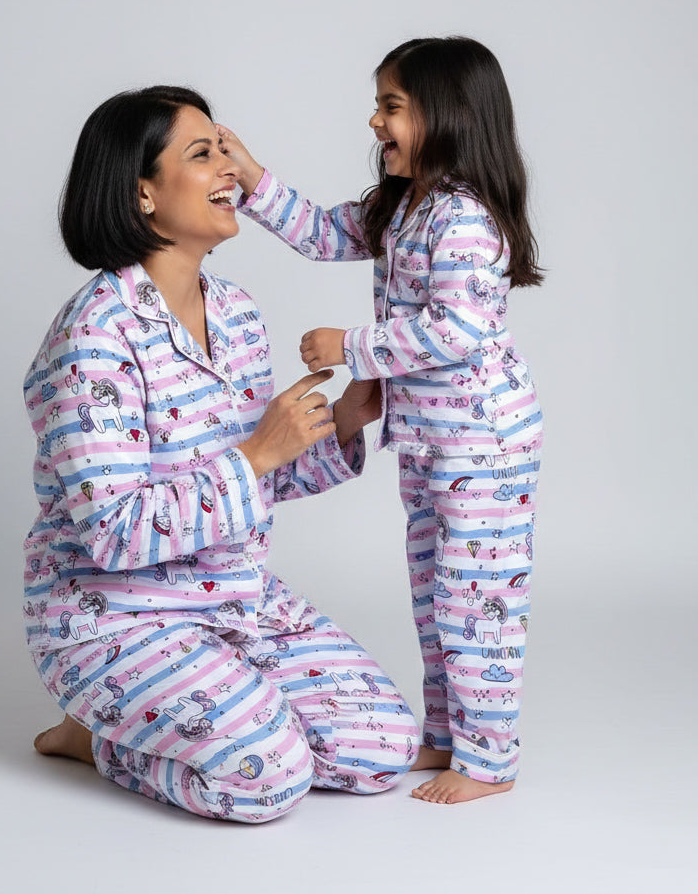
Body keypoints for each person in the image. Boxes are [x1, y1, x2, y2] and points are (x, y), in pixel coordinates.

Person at [22, 86, 418, 824]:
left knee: (381, 751)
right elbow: (113, 534)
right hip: (115, 618)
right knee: (267, 780)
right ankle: (93, 737)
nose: (229, 168)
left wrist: (342, 420)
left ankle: (221, 700)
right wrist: (257, 455)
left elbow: (259, 479)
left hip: (238, 600)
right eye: (201, 154)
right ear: (141, 192)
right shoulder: (93, 338)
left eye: (224, 149)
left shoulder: (234, 312)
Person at [217, 37, 544, 805]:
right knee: (435, 597)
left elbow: (457, 331)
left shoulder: (462, 220)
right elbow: (319, 231)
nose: (374, 121)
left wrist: (351, 347)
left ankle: (489, 760)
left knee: (478, 602)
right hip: (432, 445)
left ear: (448, 116)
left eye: (391, 106)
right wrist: (254, 177)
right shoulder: (405, 207)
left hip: (485, 449)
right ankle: (444, 732)